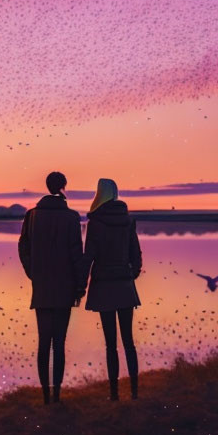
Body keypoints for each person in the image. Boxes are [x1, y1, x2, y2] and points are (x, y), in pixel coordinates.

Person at [18, 171, 86, 404]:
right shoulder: (71, 217)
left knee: (43, 341)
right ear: (63, 186)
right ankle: (56, 393)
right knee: (59, 342)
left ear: (47, 186)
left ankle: (46, 394)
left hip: (42, 287)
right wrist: (80, 286)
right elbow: (77, 254)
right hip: (65, 288)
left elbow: (23, 248)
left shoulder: (32, 215)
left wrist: (33, 273)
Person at [82, 178, 142, 401]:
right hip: (124, 285)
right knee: (129, 340)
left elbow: (89, 257)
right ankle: (135, 393)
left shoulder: (95, 223)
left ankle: (114, 395)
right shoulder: (128, 220)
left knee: (110, 344)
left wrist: (80, 286)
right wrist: (130, 275)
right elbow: (136, 254)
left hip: (104, 286)